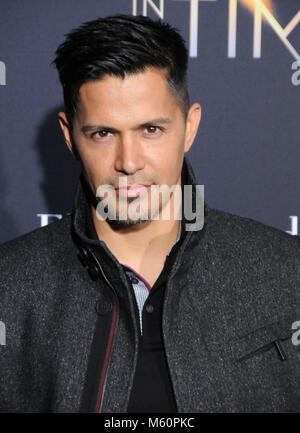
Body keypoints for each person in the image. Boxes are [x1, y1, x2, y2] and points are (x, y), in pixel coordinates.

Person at [0, 14, 300, 414]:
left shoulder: (285, 271)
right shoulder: (10, 287)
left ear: (189, 127)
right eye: (103, 133)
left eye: (151, 130)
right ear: (70, 136)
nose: (128, 162)